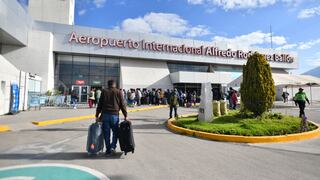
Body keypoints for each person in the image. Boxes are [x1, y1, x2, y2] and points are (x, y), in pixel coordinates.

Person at [96, 80, 128, 156]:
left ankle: (108, 150)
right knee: (115, 132)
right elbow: (122, 104)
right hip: (114, 116)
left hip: (105, 115)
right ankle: (113, 147)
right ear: (115, 85)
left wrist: (97, 115)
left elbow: (100, 104)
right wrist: (125, 115)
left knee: (106, 134)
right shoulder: (118, 92)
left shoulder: (104, 91)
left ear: (108, 85)